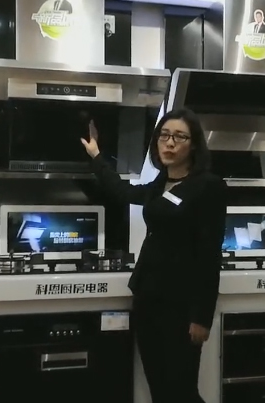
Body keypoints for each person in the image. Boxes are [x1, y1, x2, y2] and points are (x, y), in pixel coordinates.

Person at [81, 108, 227, 403]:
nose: (169, 143)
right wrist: (97, 156)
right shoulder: (161, 184)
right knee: (159, 389)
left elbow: (209, 256)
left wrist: (202, 317)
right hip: (148, 300)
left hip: (180, 308)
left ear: (194, 145)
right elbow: (123, 192)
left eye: (179, 137)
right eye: (164, 135)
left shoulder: (208, 187)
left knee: (181, 391)